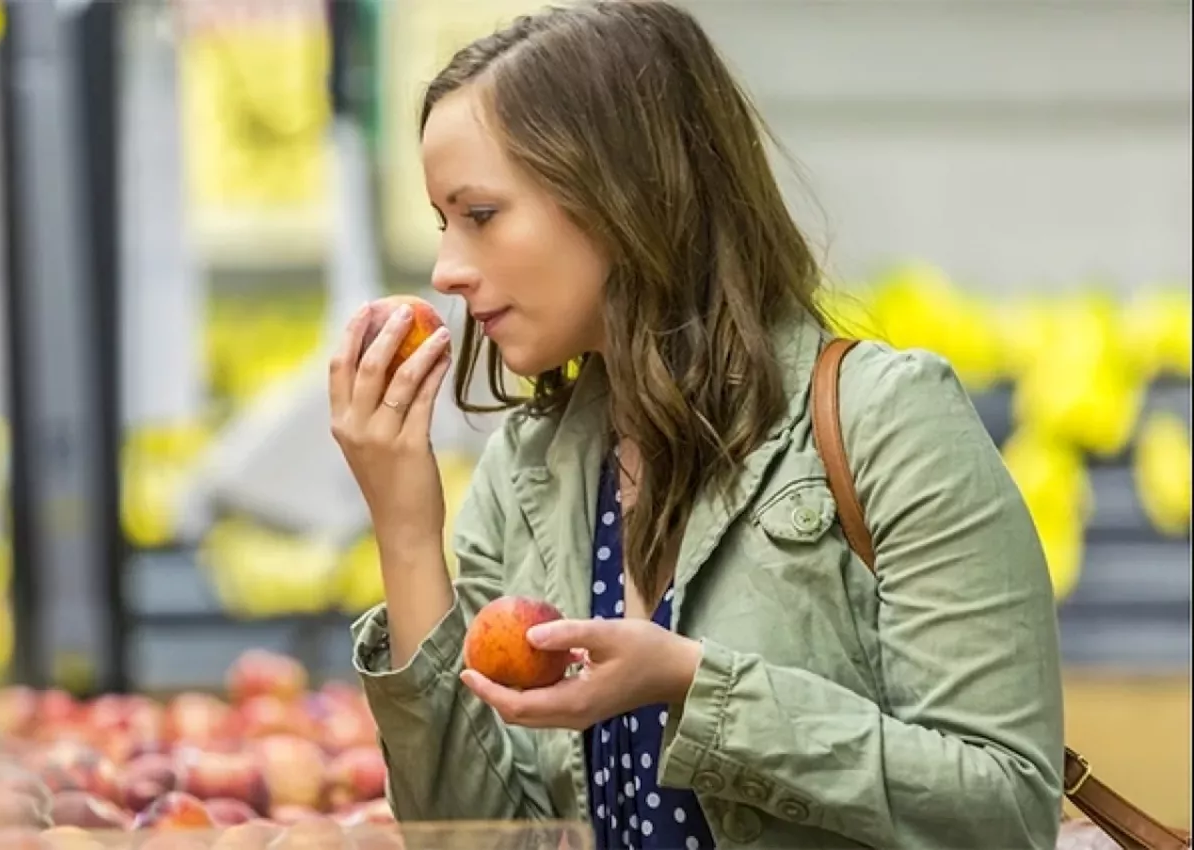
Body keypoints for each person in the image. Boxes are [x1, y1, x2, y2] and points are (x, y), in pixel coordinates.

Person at [327, 2, 1065, 848]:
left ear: (622, 196)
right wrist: (408, 531)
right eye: (441, 222)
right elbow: (480, 839)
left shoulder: (885, 425)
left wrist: (696, 687)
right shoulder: (527, 475)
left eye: (482, 215)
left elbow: (1006, 811)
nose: (446, 270)